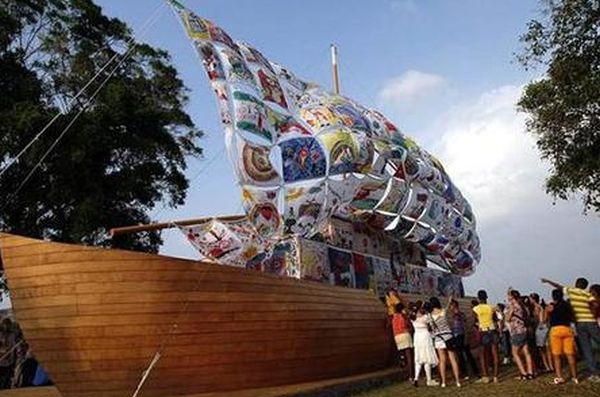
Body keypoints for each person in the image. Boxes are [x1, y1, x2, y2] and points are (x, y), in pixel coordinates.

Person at [542, 277, 600, 382]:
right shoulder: (587, 294)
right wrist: (592, 313)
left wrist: (548, 281)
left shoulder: (571, 291)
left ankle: (594, 374)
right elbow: (595, 304)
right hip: (590, 321)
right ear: (585, 286)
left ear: (576, 284)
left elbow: (558, 286)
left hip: (579, 323)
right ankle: (578, 376)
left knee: (587, 349)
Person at [546, 288, 578, 385]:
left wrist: (547, 311)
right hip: (567, 329)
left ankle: (559, 377)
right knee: (570, 354)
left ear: (553, 296)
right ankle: (575, 377)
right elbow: (573, 317)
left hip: (555, 330)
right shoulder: (567, 305)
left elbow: (544, 319)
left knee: (557, 355)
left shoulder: (552, 306)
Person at [429, 297, 461, 387]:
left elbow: (431, 329)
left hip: (438, 339)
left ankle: (443, 382)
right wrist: (449, 300)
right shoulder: (443, 311)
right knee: (453, 359)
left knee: (442, 360)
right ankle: (458, 381)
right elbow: (447, 306)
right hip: (448, 337)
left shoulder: (430, 316)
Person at [506, 290, 534, 380]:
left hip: (517, 331)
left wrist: (509, 308)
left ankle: (523, 373)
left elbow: (507, 318)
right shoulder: (523, 306)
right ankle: (530, 372)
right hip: (524, 330)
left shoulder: (513, 306)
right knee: (527, 352)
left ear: (512, 297)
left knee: (515, 353)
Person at [472, 290, 499, 383]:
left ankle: (486, 376)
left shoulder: (476, 309)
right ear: (486, 297)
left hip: (482, 331)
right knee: (495, 354)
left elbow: (475, 321)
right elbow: (495, 319)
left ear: (478, 298)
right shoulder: (491, 307)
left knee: (482, 355)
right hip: (492, 330)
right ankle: (495, 376)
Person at [449, 299, 479, 379]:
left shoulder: (459, 314)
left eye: (451, 306)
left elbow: (464, 326)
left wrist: (466, 336)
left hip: (461, 335)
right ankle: (467, 372)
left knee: (464, 354)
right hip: (457, 335)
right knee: (462, 355)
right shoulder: (455, 315)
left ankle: (469, 372)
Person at [411, 302, 439, 387]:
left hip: (417, 338)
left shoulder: (412, 317)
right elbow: (432, 326)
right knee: (427, 358)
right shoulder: (426, 317)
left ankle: (416, 378)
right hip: (425, 337)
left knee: (419, 358)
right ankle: (429, 380)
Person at [530, 293, 553, 373]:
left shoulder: (537, 307)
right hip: (547, 327)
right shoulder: (543, 306)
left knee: (542, 350)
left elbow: (540, 319)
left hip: (540, 328)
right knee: (548, 349)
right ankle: (551, 366)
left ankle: (547, 366)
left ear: (533, 299)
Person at [392, 303, 414, 382]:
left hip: (397, 336)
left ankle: (402, 359)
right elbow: (408, 324)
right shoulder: (403, 316)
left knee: (402, 353)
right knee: (409, 357)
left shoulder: (394, 317)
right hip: (405, 334)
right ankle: (411, 376)